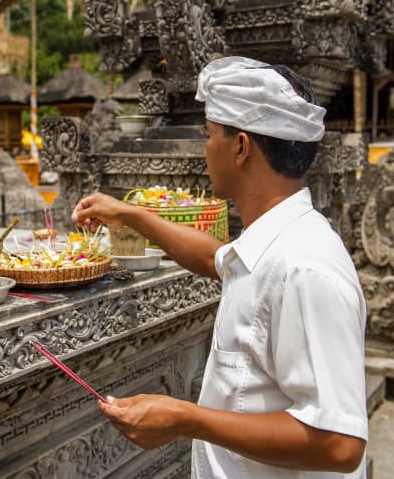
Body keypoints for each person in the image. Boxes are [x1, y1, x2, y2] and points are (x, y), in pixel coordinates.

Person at [71, 56, 368, 478]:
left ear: (241, 147)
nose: (205, 149)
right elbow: (215, 258)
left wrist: (185, 419)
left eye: (210, 136)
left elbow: (340, 445)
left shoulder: (304, 268)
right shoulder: (273, 242)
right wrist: (130, 214)